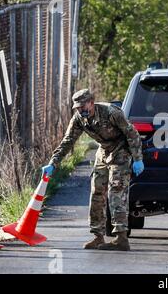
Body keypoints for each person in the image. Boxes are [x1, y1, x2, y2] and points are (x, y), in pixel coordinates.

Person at [41, 89, 144, 251]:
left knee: (116, 191)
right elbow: (67, 141)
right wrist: (53, 163)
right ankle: (98, 236)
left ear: (92, 102)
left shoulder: (111, 112)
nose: (81, 110)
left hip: (121, 151)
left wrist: (138, 159)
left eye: (84, 106)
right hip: (103, 152)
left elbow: (132, 133)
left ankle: (121, 238)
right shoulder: (79, 119)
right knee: (96, 191)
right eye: (78, 107)